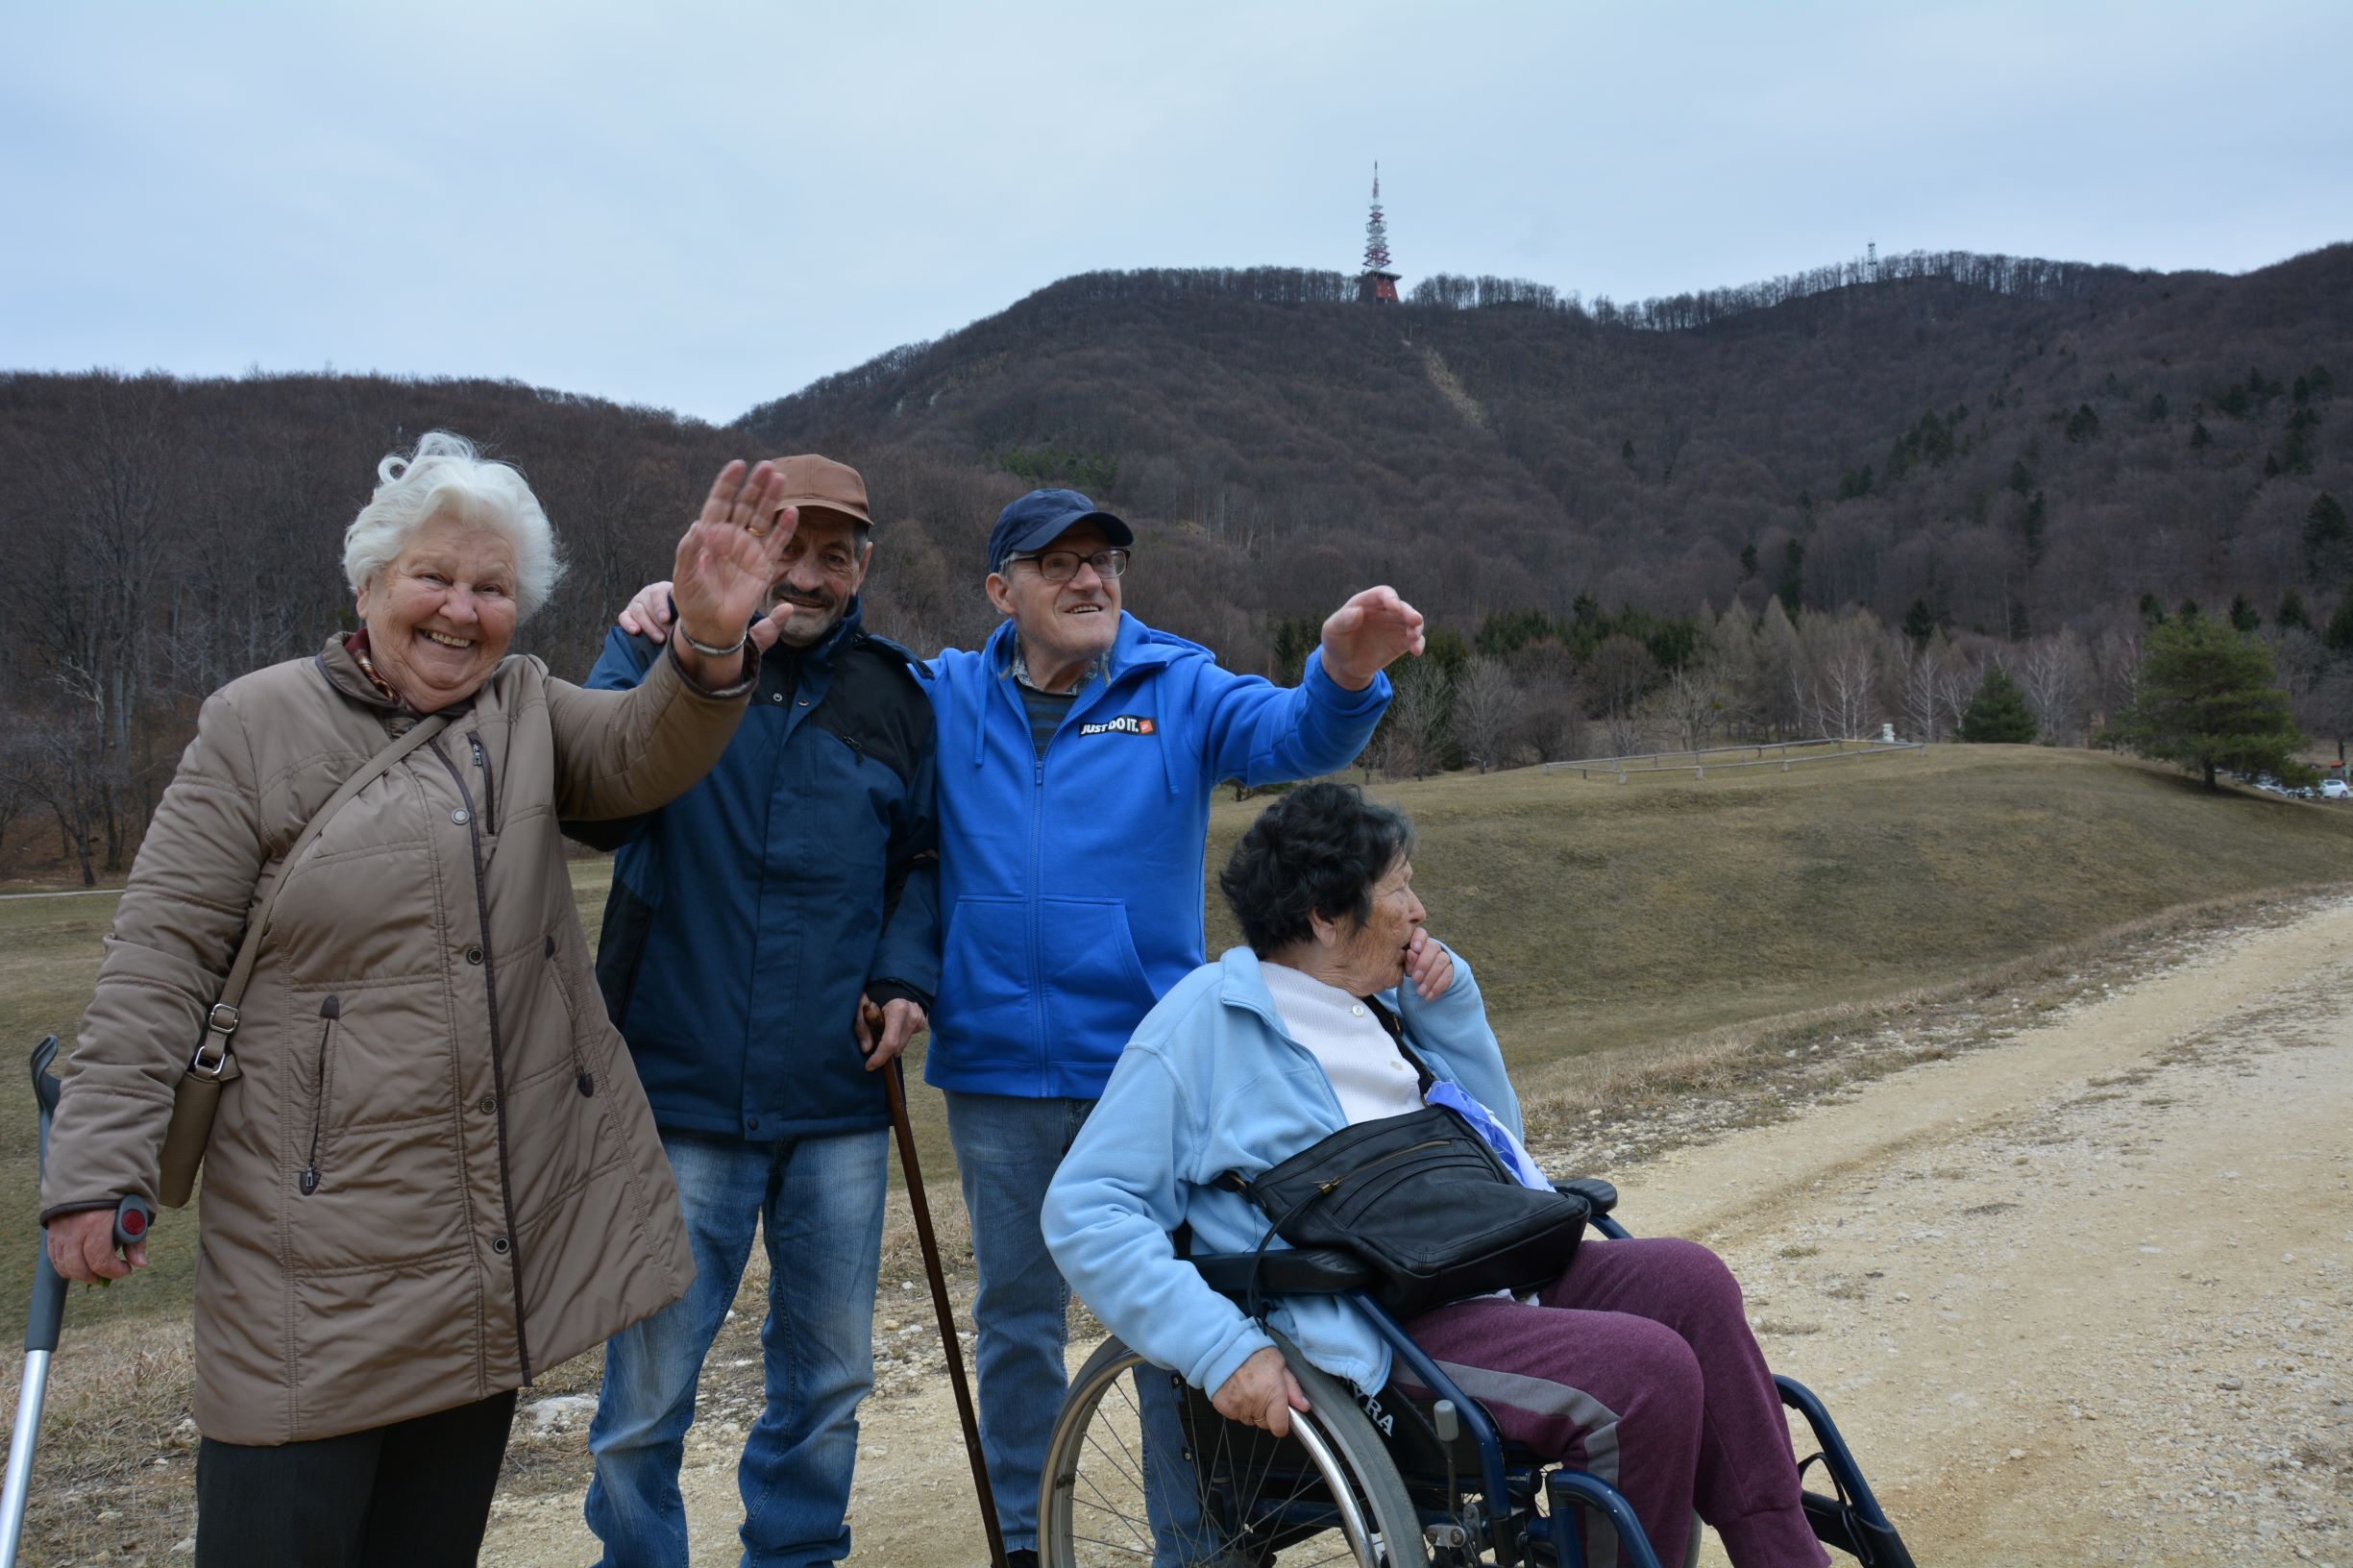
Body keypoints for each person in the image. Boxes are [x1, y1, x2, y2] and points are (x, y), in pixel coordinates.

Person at [619, 485, 1426, 1563]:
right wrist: (661, 615)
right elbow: (815, 687)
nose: (1089, 580)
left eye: (1105, 563)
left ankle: (1193, 1549)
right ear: (1002, 590)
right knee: (1016, 1331)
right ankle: (1027, 1542)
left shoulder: (1174, 685)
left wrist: (1347, 670)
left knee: (1178, 1322)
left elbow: (1294, 732)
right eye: (1058, 565)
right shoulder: (943, 694)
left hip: (1154, 1073)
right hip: (998, 1075)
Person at [38, 432, 800, 1568]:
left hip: (474, 1259)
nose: (461, 610)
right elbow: (160, 957)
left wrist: (706, 641)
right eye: (433, 578)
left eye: (491, 589)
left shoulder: (527, 709)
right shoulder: (253, 725)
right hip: (305, 1269)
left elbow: (647, 752)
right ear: (369, 585)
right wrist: (96, 1170)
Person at [1042, 783, 1832, 1568]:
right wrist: (1218, 1349)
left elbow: (1500, 1161)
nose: (1418, 910)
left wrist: (1449, 1010)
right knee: (1643, 1374)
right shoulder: (1203, 1024)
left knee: (1689, 1279)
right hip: (1377, 1326)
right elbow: (1087, 1208)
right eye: (1398, 889)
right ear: (1324, 916)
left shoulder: (1377, 1009)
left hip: (1474, 1272)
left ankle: (1785, 1555)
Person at [568, 455, 938, 1567]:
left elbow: (920, 861)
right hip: (675, 1088)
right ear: (747, 546)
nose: (809, 576)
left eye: (835, 555)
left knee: (827, 1382)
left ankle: (795, 1556)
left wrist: (907, 974)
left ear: (863, 564)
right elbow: (588, 800)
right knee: (644, 1395)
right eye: (788, 549)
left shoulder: (893, 694)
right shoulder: (652, 652)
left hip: (838, 1092)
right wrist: (683, 638)